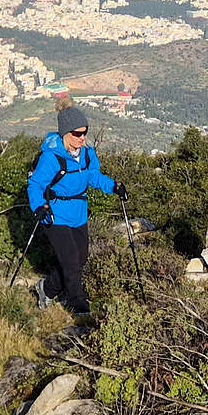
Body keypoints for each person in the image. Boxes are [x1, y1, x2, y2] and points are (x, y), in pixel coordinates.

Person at [25, 105, 126, 314]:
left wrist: (113, 186)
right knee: (71, 260)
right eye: (77, 134)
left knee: (81, 257)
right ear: (65, 133)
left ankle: (47, 288)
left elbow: (94, 177)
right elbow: (35, 185)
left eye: (84, 132)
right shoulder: (51, 157)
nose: (82, 137)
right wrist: (38, 207)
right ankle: (77, 304)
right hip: (54, 214)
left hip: (79, 212)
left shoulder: (88, 154)